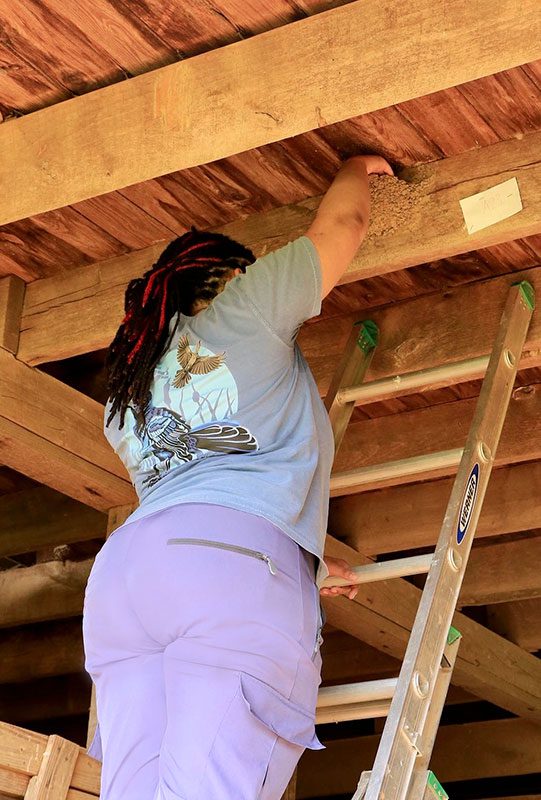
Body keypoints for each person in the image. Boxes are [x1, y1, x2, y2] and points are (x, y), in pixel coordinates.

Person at [82, 153, 393, 800]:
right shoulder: (243, 312)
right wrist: (355, 166)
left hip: (127, 580)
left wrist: (297, 564)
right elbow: (342, 226)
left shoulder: (128, 399)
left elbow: (192, 504)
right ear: (220, 280)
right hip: (230, 572)